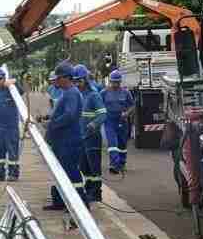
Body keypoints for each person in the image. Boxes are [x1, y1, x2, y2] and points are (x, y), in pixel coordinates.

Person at [42, 61, 89, 211]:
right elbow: (63, 113)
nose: (56, 81)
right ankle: (59, 201)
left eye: (58, 78)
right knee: (59, 172)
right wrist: (50, 119)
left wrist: (52, 124)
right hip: (62, 141)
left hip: (68, 141)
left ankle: (81, 204)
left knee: (71, 172)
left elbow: (69, 115)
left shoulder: (72, 94)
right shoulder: (67, 93)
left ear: (65, 78)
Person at [73, 64, 107, 202]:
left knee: (94, 167)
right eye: (75, 81)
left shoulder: (94, 96)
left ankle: (96, 191)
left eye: (79, 81)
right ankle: (89, 188)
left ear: (85, 80)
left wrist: (93, 124)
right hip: (80, 138)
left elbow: (103, 115)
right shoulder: (77, 95)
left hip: (92, 137)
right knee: (83, 166)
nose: (77, 84)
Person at [100, 70, 135, 174]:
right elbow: (98, 106)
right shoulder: (103, 93)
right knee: (112, 143)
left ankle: (122, 163)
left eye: (117, 82)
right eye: (113, 82)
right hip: (109, 121)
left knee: (122, 144)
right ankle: (114, 165)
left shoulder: (126, 92)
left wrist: (127, 113)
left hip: (122, 121)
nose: (115, 84)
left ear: (120, 82)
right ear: (110, 81)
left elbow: (132, 105)